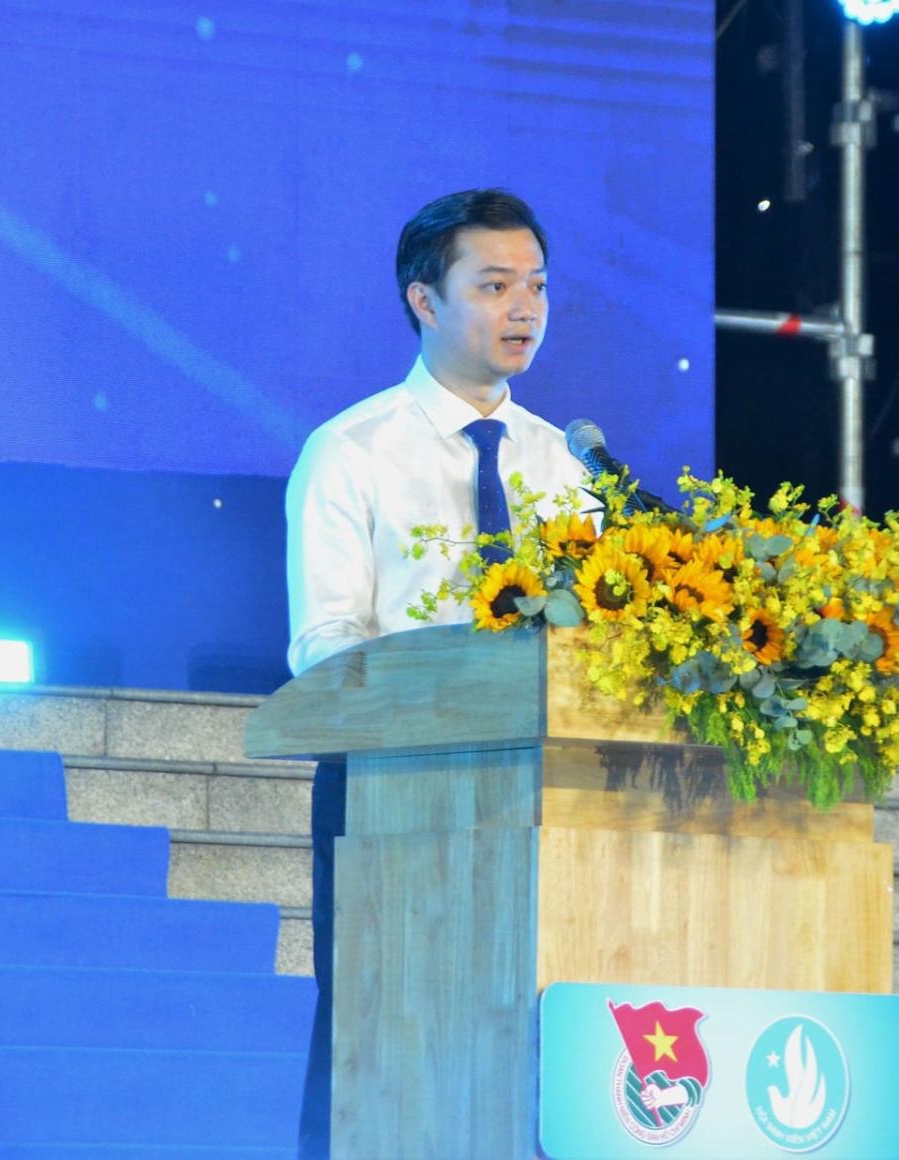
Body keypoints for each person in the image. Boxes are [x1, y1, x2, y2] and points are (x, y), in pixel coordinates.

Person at [282, 188, 589, 1158]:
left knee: (523, 1040)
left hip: (538, 797)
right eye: (494, 286)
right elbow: (324, 646)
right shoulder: (351, 452)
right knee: (373, 1035)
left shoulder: (568, 468)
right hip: (391, 794)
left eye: (537, 286)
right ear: (424, 300)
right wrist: (446, 680)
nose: (524, 308)